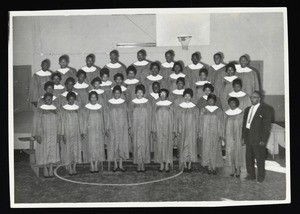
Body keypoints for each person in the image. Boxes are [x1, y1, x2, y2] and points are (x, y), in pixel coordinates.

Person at [242, 91, 272, 183]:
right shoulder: (247, 109)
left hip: (258, 138)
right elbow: (244, 125)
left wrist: (263, 140)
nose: (252, 99)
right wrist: (243, 137)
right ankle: (251, 175)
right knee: (249, 157)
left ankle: (260, 177)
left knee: (260, 158)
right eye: (251, 97)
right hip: (248, 136)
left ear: (259, 98)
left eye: (254, 97)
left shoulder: (266, 109)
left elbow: (266, 126)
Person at [31, 92, 60, 178]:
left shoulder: (56, 110)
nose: (48, 101)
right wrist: (37, 135)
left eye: (50, 99)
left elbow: (60, 123)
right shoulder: (40, 110)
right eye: (46, 99)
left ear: (52, 99)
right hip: (43, 134)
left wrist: (59, 134)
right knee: (44, 151)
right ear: (44, 100)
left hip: (53, 134)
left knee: (52, 151)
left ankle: (51, 167)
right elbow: (35, 123)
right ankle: (45, 168)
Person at [128, 84, 152, 172]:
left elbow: (150, 116)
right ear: (135, 93)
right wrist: (130, 127)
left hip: (145, 128)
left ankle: (143, 163)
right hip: (136, 128)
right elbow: (129, 116)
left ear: (144, 93)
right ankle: (138, 163)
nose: (139, 94)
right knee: (137, 145)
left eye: (141, 92)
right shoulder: (132, 103)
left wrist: (149, 128)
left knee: (144, 145)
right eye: (138, 92)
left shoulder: (147, 103)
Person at [81, 91, 106, 173]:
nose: (93, 99)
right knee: (91, 147)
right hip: (90, 131)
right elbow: (84, 120)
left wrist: (103, 129)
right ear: (89, 99)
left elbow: (102, 119)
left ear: (97, 99)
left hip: (98, 130)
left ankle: (97, 163)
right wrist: (84, 131)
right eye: (92, 97)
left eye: (95, 97)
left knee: (98, 146)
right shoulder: (86, 108)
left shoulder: (100, 108)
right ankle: (92, 164)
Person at [175, 88, 200, 172]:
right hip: (182, 130)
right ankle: (184, 164)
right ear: (183, 96)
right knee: (183, 147)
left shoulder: (195, 108)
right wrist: (177, 130)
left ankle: (189, 164)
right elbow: (177, 120)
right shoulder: (179, 108)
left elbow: (198, 121)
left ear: (191, 97)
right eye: (185, 96)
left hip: (192, 131)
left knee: (191, 147)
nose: (187, 97)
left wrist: (197, 131)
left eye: (189, 96)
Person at [106, 85, 130, 172]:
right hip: (113, 127)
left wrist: (127, 126)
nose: (117, 95)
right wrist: (108, 127)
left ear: (121, 93)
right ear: (113, 93)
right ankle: (115, 164)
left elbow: (127, 115)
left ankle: (121, 164)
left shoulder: (124, 103)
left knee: (121, 145)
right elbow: (107, 115)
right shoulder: (110, 103)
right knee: (114, 144)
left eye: (118, 93)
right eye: (115, 93)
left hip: (122, 127)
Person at [200, 94, 224, 175]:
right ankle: (209, 166)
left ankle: (213, 167)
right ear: (207, 101)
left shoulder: (219, 111)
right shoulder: (203, 110)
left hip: (215, 133)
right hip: (206, 133)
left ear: (215, 101)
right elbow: (200, 122)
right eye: (209, 100)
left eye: (212, 100)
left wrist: (221, 134)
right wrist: (200, 132)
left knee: (214, 149)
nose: (211, 101)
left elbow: (221, 123)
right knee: (207, 149)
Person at [60, 92, 83, 176]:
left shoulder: (77, 109)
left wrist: (81, 132)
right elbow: (62, 122)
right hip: (67, 132)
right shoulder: (64, 109)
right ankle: (69, 166)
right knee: (68, 150)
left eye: (73, 99)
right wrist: (62, 134)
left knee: (75, 149)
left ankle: (74, 167)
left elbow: (81, 121)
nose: (71, 101)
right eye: (70, 99)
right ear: (67, 100)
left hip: (76, 132)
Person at [152, 89, 175, 172]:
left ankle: (167, 164)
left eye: (164, 94)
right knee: (160, 146)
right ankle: (161, 163)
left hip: (168, 129)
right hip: (159, 129)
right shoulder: (156, 105)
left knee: (167, 146)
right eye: (161, 94)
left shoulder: (170, 105)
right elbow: (153, 118)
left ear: (167, 95)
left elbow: (173, 118)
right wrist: (154, 130)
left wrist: (173, 131)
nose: (162, 95)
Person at [224, 97, 245, 178]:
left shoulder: (241, 114)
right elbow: (224, 126)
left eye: (233, 103)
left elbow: (243, 127)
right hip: (229, 136)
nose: (232, 104)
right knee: (230, 152)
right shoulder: (227, 114)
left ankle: (238, 169)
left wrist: (243, 137)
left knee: (238, 152)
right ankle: (232, 168)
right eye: (230, 103)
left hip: (238, 136)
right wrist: (224, 137)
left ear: (237, 103)